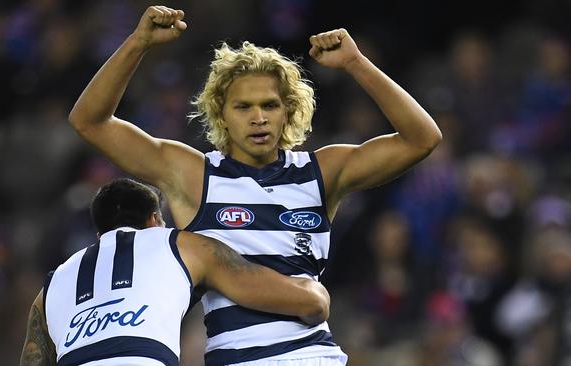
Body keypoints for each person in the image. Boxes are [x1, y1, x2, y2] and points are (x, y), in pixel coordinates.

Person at [68, 5, 442, 365]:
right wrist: (137, 43)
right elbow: (90, 121)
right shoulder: (195, 175)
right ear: (221, 115)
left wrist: (356, 64)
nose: (259, 118)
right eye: (243, 107)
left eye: (270, 105)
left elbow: (422, 138)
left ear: (289, 110)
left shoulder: (322, 172)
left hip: (312, 356)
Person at [19, 178, 330, 365]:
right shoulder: (180, 244)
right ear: (155, 219)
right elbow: (306, 303)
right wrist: (314, 291)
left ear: (99, 235)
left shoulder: (53, 284)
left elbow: (34, 357)